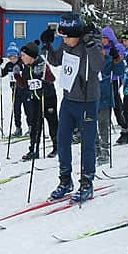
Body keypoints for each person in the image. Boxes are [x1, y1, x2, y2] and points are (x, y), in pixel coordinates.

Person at [41, 13, 105, 203]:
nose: (66, 40)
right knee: (62, 140)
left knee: (87, 143)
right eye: (63, 37)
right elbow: (55, 60)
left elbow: (98, 65)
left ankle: (87, 182)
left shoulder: (91, 41)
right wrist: (47, 45)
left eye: (68, 36)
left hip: (87, 100)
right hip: (69, 99)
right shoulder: (67, 43)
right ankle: (65, 180)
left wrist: (91, 45)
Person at [15, 41, 58, 161]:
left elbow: (52, 79)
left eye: (24, 55)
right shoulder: (26, 68)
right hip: (35, 99)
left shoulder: (41, 64)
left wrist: (44, 73)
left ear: (31, 56)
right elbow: (23, 85)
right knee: (34, 125)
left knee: (52, 122)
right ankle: (33, 149)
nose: (21, 58)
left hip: (47, 98)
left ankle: (56, 146)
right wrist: (17, 75)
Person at [97, 35, 123, 164]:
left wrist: (116, 59)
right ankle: (95, 149)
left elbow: (119, 70)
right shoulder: (88, 61)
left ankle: (104, 151)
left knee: (103, 125)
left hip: (105, 97)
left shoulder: (107, 60)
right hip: (90, 98)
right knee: (90, 126)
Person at [0, 42, 29, 138]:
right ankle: (18, 128)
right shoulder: (8, 65)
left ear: (18, 56)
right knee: (16, 110)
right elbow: (1, 74)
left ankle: (31, 127)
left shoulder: (22, 63)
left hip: (24, 90)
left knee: (27, 109)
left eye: (14, 57)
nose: (12, 59)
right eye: (10, 57)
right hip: (15, 91)